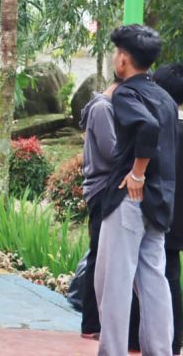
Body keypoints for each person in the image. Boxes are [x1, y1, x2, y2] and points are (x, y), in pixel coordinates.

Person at [94, 24, 177, 356]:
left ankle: (111, 351)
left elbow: (147, 127)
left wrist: (137, 174)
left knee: (112, 282)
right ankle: (160, 351)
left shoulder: (128, 93)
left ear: (124, 59)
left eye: (117, 53)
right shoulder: (165, 97)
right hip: (159, 204)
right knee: (154, 282)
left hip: (130, 199)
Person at [128, 63, 183, 356]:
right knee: (162, 277)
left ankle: (169, 344)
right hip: (179, 217)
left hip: (161, 216)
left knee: (164, 280)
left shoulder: (170, 130)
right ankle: (155, 341)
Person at [78, 78, 119, 339]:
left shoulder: (103, 106)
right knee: (98, 256)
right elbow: (112, 151)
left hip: (103, 188)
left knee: (102, 255)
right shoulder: (103, 108)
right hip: (102, 189)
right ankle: (92, 323)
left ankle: (96, 322)